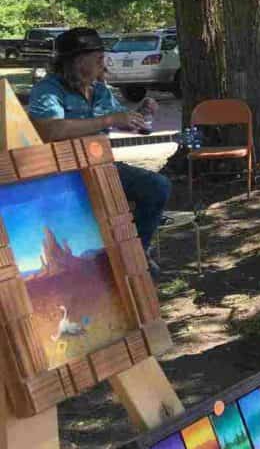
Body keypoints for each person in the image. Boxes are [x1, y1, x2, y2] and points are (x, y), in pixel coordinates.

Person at [28, 27, 170, 273]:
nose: (103, 64)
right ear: (77, 61)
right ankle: (116, 262)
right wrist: (108, 121)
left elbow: (120, 119)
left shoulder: (100, 90)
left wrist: (140, 114)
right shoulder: (49, 89)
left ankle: (134, 253)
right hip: (65, 175)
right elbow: (49, 130)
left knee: (157, 186)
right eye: (98, 59)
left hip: (102, 167)